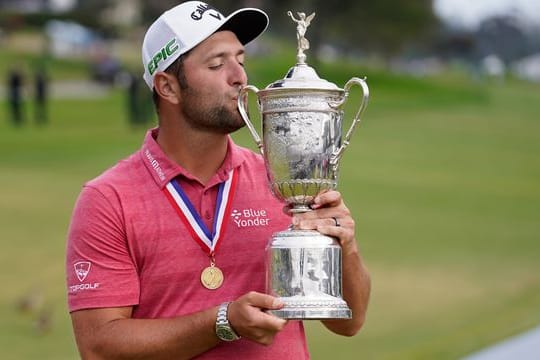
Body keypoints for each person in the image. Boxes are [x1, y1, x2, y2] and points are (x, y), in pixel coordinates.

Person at [65, 2, 371, 359]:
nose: (239, 76)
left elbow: (349, 322)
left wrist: (344, 247)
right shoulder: (108, 199)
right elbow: (99, 347)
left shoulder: (279, 179)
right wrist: (222, 322)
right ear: (168, 87)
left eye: (240, 60)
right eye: (216, 64)